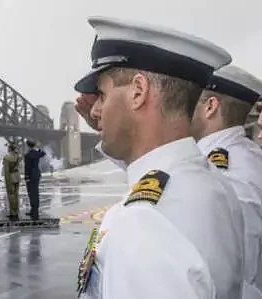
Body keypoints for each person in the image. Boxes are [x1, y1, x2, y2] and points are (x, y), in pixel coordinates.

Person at [73, 16, 243, 299]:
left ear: (138, 92)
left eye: (102, 95)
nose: (95, 110)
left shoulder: (139, 224)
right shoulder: (217, 184)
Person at [190, 65, 262, 299]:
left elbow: (243, 276)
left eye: (189, 101)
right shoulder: (244, 154)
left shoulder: (228, 171)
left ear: (210, 107)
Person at [24, 139, 46, 220]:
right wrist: (38, 147)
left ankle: (34, 211)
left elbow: (27, 167)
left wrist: (26, 177)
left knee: (31, 193)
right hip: (37, 174)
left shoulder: (27, 155)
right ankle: (34, 210)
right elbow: (43, 153)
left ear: (28, 146)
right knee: (36, 192)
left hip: (30, 176)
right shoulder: (37, 153)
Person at [3, 144, 22, 221]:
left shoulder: (7, 158)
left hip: (10, 178)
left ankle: (12, 213)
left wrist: (6, 181)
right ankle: (16, 211)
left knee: (11, 195)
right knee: (16, 195)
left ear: (9, 149)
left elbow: (6, 171)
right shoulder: (18, 156)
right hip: (17, 176)